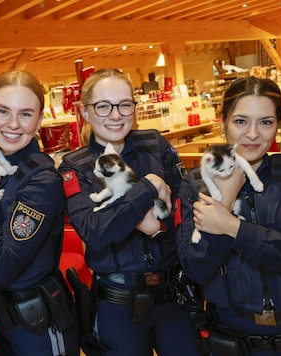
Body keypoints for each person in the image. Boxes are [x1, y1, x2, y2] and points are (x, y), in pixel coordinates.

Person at [176, 77, 281, 355]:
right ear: (223, 123)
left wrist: (233, 228)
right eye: (241, 121)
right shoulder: (196, 185)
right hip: (237, 340)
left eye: (265, 122)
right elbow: (197, 268)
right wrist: (226, 199)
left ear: (279, 125)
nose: (253, 134)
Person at [58, 68, 199, 356]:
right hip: (118, 304)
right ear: (85, 112)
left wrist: (156, 226)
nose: (116, 114)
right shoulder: (76, 166)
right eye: (103, 106)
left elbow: (187, 208)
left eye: (124, 104)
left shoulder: (155, 144)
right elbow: (95, 231)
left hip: (172, 295)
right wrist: (149, 185)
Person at [0, 70, 80, 356]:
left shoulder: (41, 180)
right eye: (2, 111)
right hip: (4, 316)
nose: (12, 124)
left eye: (25, 114)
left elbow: (0, 270)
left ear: (39, 120)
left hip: (39, 325)